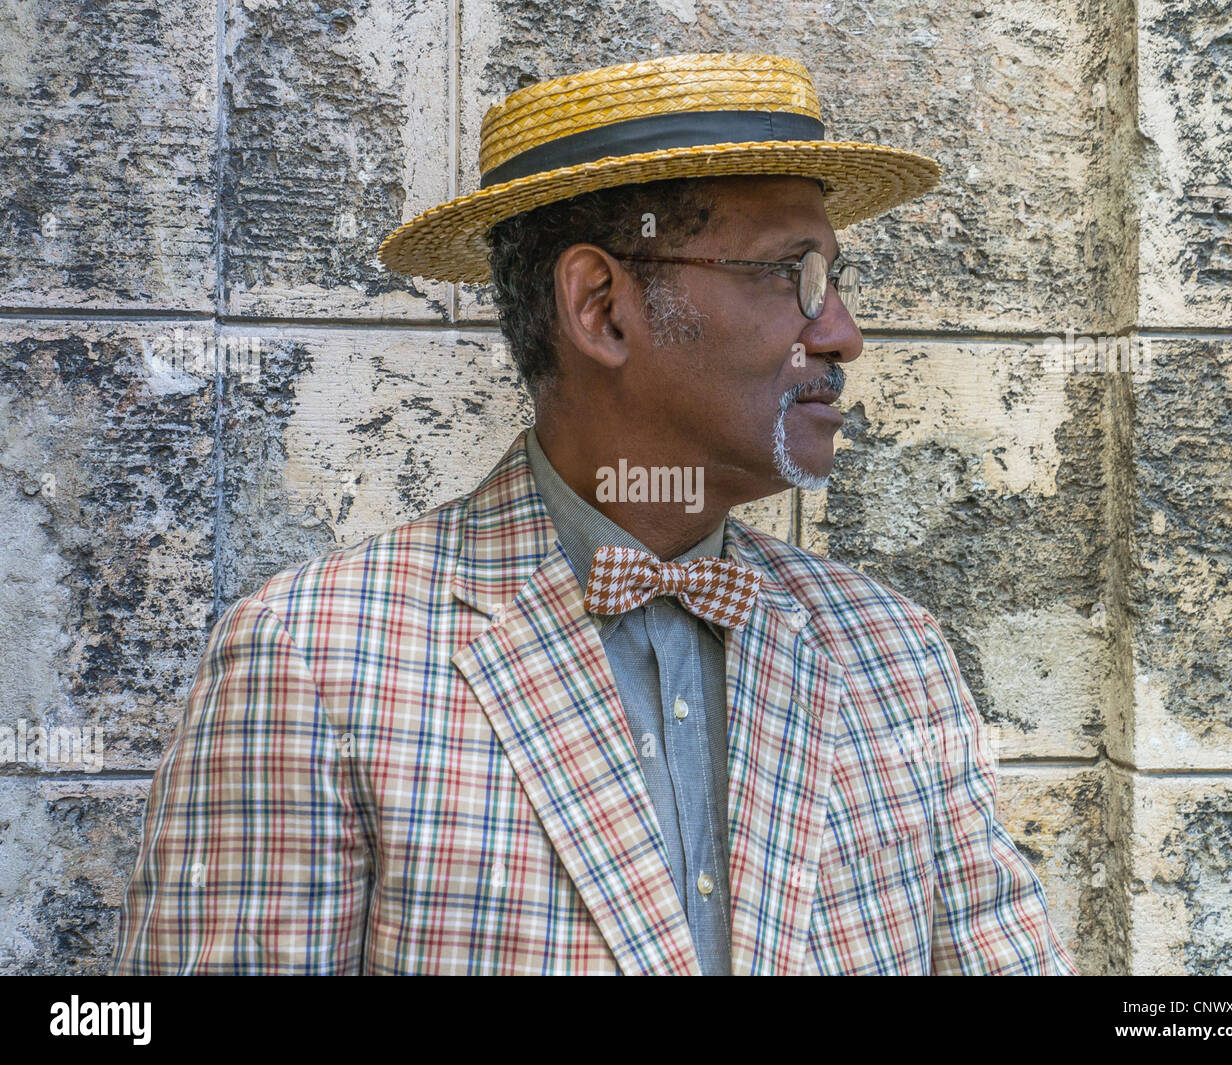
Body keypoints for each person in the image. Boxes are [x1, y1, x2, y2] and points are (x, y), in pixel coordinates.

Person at [113, 52, 1076, 975]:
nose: (842, 333)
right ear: (602, 306)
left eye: (834, 280)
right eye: (793, 275)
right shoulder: (317, 662)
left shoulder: (891, 656)